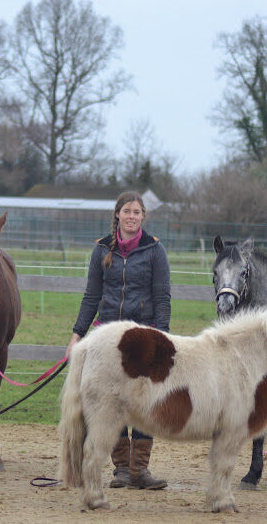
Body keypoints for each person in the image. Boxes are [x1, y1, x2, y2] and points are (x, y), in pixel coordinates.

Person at [66, 190, 171, 490]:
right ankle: (121, 469)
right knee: (112, 403)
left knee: (143, 403)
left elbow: (162, 297)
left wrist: (161, 337)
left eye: (137, 212)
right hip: (107, 339)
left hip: (145, 338)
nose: (131, 217)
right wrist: (77, 335)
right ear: (117, 215)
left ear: (142, 217)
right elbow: (91, 296)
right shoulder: (101, 250)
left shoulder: (154, 251)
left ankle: (140, 470)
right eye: (127, 211)